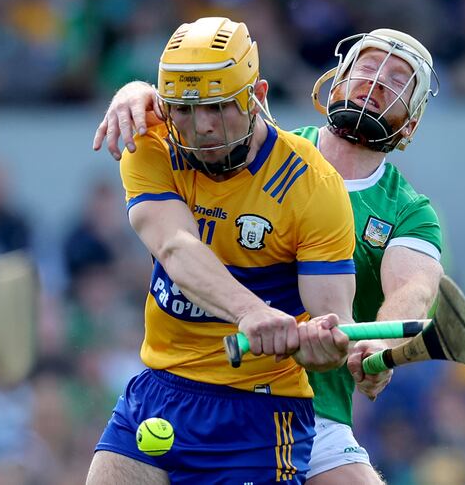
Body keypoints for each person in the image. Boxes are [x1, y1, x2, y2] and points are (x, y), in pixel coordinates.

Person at [93, 28, 444, 485]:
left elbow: (412, 291)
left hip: (311, 411)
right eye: (367, 66)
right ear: (335, 81)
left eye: (398, 79)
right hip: (191, 383)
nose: (376, 81)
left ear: (410, 123)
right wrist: (137, 92)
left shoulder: (407, 212)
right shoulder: (265, 147)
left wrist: (378, 347)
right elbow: (199, 101)